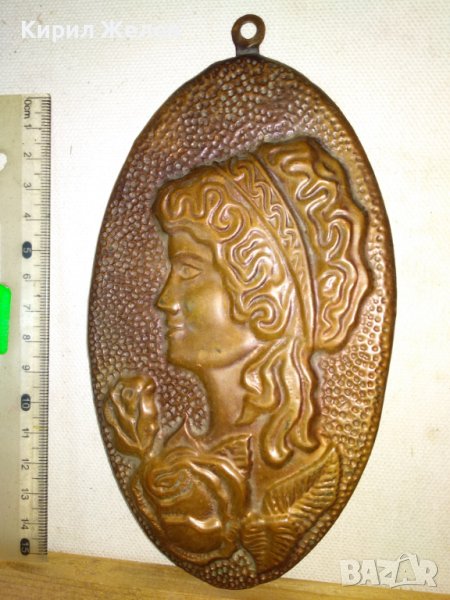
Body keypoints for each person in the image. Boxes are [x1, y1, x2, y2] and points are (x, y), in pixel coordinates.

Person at [105, 136, 370, 572]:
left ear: (264, 292)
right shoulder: (171, 459)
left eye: (188, 269)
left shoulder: (305, 474)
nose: (165, 298)